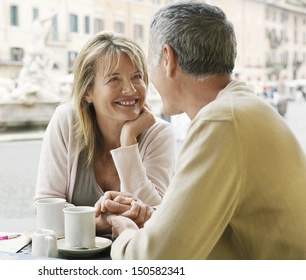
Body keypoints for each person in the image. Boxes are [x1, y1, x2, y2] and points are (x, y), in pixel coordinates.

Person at [102, 2, 306, 259]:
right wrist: (155, 219)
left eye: (147, 65)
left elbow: (156, 260)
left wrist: (125, 232)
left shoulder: (221, 123)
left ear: (168, 58)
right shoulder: (242, 107)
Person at [34, 31, 177, 233]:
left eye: (137, 77)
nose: (130, 89)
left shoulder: (160, 133)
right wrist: (105, 221)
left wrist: (129, 142)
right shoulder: (66, 120)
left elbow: (155, 216)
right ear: (87, 92)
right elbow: (47, 209)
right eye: (114, 79)